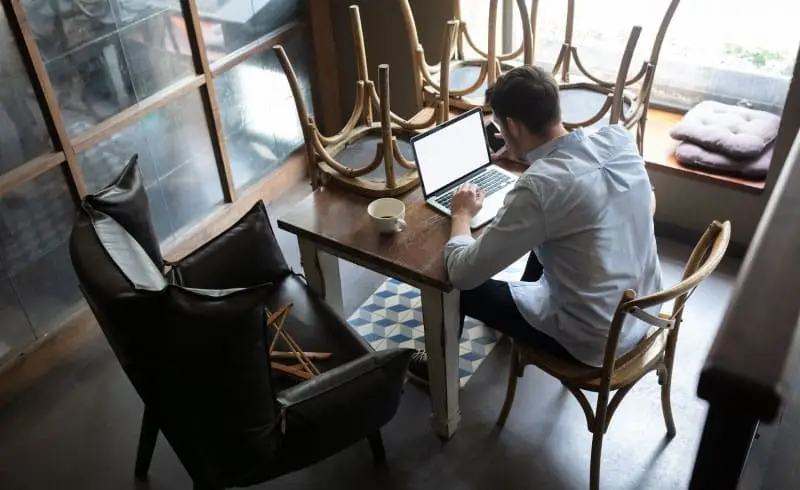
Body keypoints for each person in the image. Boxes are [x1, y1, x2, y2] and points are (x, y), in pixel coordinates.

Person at [407, 65, 663, 384]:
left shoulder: (540, 187)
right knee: (547, 239)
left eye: (499, 125)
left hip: (592, 341)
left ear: (512, 126)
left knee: (453, 285)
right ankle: (512, 312)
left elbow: (462, 273)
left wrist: (461, 214)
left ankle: (435, 367)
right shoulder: (618, 139)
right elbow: (648, 200)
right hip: (642, 314)